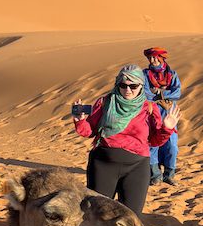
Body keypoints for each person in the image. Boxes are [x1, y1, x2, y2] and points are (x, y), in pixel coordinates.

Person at [73, 64, 180, 216]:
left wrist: (167, 128)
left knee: (131, 218)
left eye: (133, 86)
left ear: (141, 86)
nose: (128, 90)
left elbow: (155, 141)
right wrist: (80, 121)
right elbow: (90, 131)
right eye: (123, 85)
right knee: (96, 215)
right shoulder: (105, 102)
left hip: (137, 167)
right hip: (103, 165)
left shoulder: (149, 108)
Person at [143, 46, 182, 185]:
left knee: (172, 145)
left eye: (154, 57)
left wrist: (160, 92)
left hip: (169, 113)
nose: (152, 60)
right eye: (150, 58)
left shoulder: (172, 74)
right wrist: (163, 95)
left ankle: (169, 175)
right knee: (153, 143)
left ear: (161, 58)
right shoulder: (145, 74)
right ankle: (155, 176)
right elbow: (146, 93)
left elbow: (177, 93)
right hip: (153, 112)